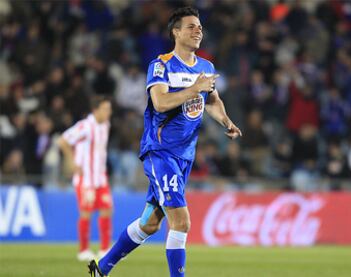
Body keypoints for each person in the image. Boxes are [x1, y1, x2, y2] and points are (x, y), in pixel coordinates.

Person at [88, 6, 242, 277]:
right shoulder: (161, 64)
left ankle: (101, 269)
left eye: (200, 27)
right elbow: (159, 103)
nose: (198, 31)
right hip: (160, 152)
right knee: (181, 221)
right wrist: (194, 87)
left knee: (150, 224)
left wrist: (226, 122)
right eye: (191, 26)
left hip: (185, 155)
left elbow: (212, 102)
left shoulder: (206, 67)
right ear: (176, 32)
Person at [58, 96, 113, 261]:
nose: (108, 112)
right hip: (86, 178)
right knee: (86, 213)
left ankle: (104, 249)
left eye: (109, 109)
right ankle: (83, 250)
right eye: (105, 109)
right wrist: (72, 161)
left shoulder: (106, 125)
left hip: (100, 177)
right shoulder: (85, 126)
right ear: (95, 110)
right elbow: (63, 141)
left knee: (107, 209)